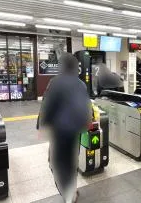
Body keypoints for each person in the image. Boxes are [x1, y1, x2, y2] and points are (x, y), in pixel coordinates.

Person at [38, 52, 91, 202]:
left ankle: (68, 193)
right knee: (71, 160)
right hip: (76, 130)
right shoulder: (81, 83)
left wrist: (43, 125)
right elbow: (87, 106)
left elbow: (48, 105)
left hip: (60, 131)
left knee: (56, 162)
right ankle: (72, 189)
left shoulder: (56, 82)